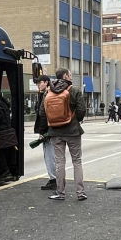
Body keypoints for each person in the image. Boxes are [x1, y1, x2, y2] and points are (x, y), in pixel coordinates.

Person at [46, 68, 87, 201]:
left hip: (55, 131)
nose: (71, 77)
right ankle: (80, 193)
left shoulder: (49, 91)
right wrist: (76, 120)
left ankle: (60, 192)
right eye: (70, 75)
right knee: (77, 161)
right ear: (65, 76)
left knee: (59, 162)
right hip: (73, 131)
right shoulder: (74, 91)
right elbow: (81, 110)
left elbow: (42, 112)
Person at [33, 75, 57, 190]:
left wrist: (42, 132)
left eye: (40, 82)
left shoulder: (47, 95)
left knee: (49, 156)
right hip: (52, 129)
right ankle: (55, 179)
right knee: (52, 155)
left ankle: (54, 180)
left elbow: (43, 115)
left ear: (46, 82)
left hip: (48, 131)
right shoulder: (47, 93)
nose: (38, 85)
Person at [0, 88, 19, 181]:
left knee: (0, 153)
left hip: (1, 131)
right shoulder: (3, 101)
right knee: (9, 152)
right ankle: (13, 172)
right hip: (8, 131)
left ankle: (5, 172)